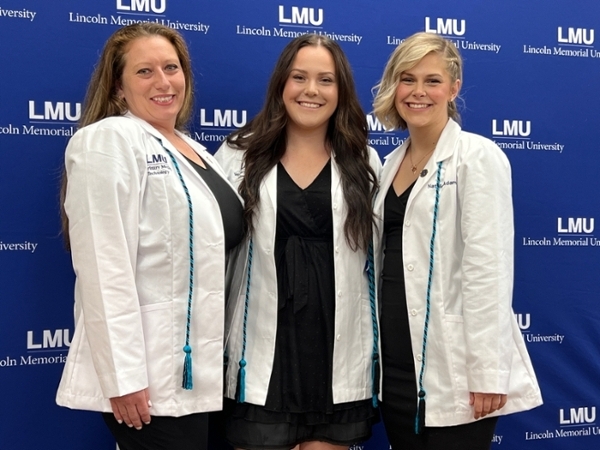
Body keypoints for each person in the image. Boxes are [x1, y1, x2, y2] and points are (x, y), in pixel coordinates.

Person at [55, 23, 244, 450]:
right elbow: (104, 268)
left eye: (171, 68)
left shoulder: (192, 149)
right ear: (118, 87)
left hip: (201, 374)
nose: (163, 82)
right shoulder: (107, 140)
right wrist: (122, 378)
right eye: (144, 72)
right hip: (149, 383)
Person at [371, 32, 543, 449]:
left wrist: (487, 372)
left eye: (432, 80)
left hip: (456, 369)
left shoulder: (477, 157)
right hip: (396, 367)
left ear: (454, 88)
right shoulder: (388, 163)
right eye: (406, 79)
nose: (417, 92)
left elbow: (489, 269)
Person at [214, 34, 381, 450]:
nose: (311, 90)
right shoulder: (240, 154)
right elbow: (210, 248)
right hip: (264, 348)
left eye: (326, 80)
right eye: (299, 77)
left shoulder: (363, 161)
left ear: (341, 91)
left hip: (334, 348)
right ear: (280, 85)